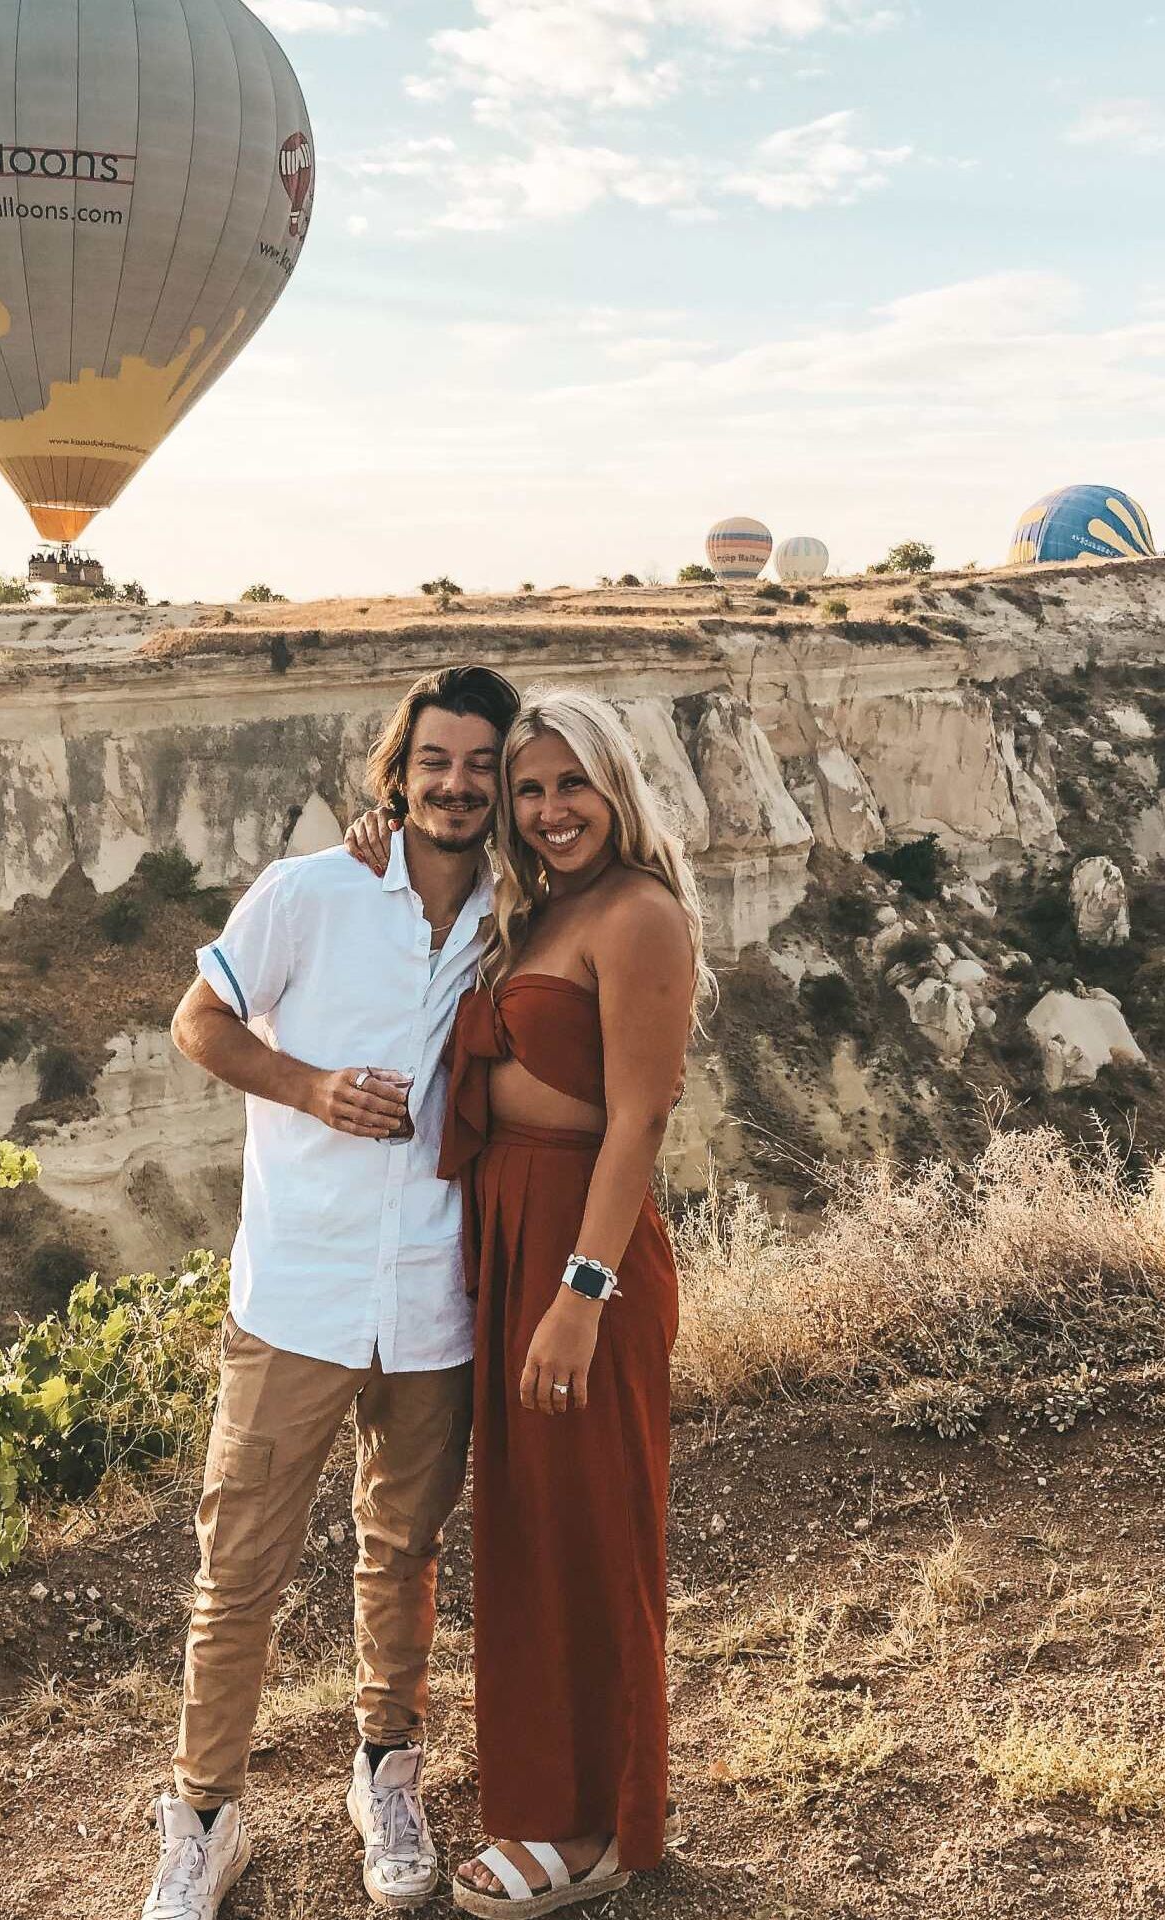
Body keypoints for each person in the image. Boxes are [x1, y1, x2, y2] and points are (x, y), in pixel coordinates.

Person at [141, 664, 523, 1920]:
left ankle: (385, 1772)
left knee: (401, 1549)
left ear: (501, 782)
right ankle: (202, 1820)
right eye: (435, 763)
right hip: (297, 1288)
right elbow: (200, 1021)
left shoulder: (519, 915)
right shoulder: (311, 890)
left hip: (434, 1296)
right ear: (397, 773)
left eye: (481, 765)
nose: (456, 785)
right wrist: (305, 1086)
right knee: (239, 1563)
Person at [347, 687, 705, 1915]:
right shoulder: (534, 911)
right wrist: (374, 835)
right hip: (504, 1237)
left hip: (577, 1250)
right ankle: (547, 1798)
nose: (552, 810)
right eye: (531, 788)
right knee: (525, 1531)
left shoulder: (640, 914)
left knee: (591, 1531)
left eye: (573, 785)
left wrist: (581, 1295)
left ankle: (602, 1827)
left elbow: (641, 1118)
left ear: (618, 789)